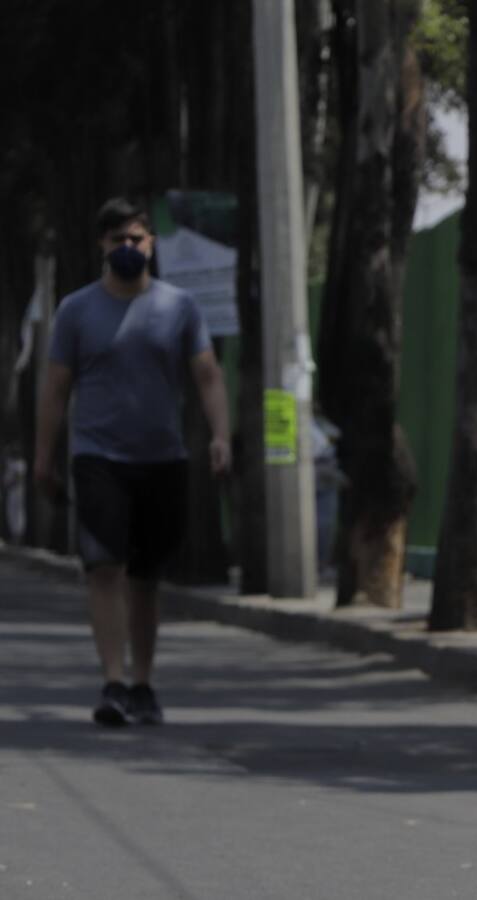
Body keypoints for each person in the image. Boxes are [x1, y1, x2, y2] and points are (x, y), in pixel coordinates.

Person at [34, 197, 231, 726]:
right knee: (104, 568)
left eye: (136, 239)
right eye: (117, 240)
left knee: (145, 578)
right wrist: (44, 457)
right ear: (102, 245)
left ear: (153, 244)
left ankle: (143, 682)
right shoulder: (76, 310)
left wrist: (220, 436)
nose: (128, 248)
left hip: (162, 459)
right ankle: (113, 682)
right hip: (98, 457)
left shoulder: (179, 307)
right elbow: (55, 387)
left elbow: (207, 375)